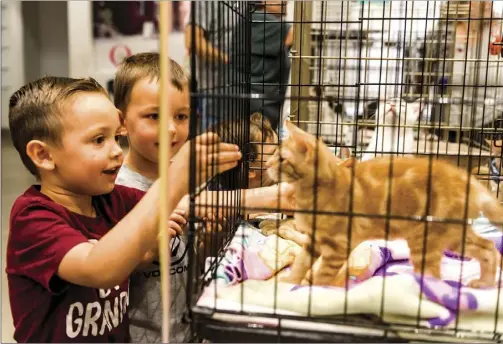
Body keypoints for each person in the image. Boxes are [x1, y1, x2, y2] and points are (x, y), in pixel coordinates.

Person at [5, 76, 241, 342]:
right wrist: (174, 180)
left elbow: (186, 204)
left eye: (116, 137)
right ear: (44, 155)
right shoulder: (33, 219)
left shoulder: (109, 198)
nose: (117, 151)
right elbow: (99, 268)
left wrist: (275, 196)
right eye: (98, 140)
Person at [113, 52, 296, 342]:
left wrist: (212, 238)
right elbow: (118, 265)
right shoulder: (115, 190)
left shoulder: (188, 178)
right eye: (154, 116)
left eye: (181, 116)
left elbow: (188, 258)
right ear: (121, 122)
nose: (171, 128)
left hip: (189, 329)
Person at [406, 0, 503, 137]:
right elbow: (420, 83)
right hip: (444, 125)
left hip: (495, 123)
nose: (488, 3)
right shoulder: (440, 34)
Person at [184, 1, 248, 129]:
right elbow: (192, 41)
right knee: (214, 143)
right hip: (215, 92)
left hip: (243, 93)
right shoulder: (208, 3)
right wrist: (229, 60)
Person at [248, 1, 293, 131]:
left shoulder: (260, 20)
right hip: (258, 108)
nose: (285, 1)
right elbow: (298, 33)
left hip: (262, 105)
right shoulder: (259, 19)